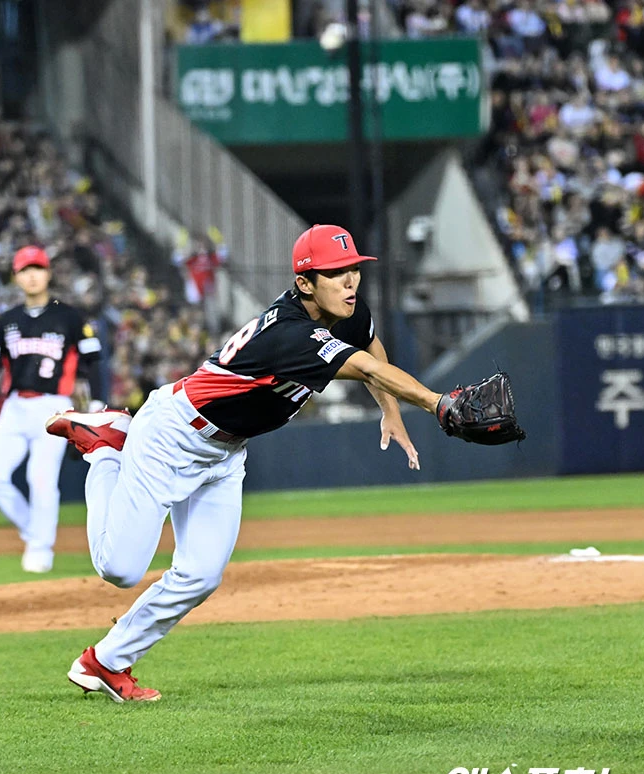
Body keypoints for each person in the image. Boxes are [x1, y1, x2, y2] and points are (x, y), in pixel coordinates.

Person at [46, 225, 515, 702]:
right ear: (305, 283)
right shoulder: (290, 335)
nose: (350, 281)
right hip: (173, 434)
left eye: (353, 269)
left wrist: (390, 411)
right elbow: (369, 368)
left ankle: (105, 662)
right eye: (335, 273)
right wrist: (439, 404)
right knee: (120, 570)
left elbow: (370, 345)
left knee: (202, 574)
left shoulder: (343, 310)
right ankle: (105, 446)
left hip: (226, 452)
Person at [0, 245, 104, 573]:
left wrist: (98, 401)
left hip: (54, 406)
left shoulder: (69, 316)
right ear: (16, 277)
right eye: (24, 270)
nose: (31, 275)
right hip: (16, 406)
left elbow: (94, 362)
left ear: (48, 273)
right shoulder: (7, 319)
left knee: (40, 479)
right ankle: (34, 530)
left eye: (37, 268)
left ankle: (41, 548)